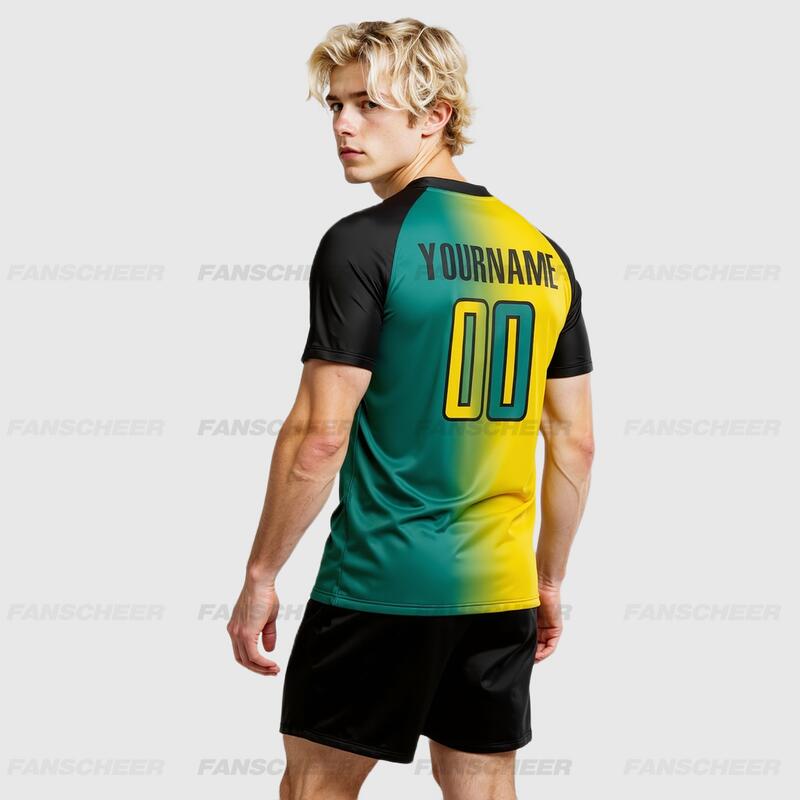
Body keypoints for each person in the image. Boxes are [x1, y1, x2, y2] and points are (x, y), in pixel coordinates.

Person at [228, 18, 595, 800]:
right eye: (335, 104)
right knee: (484, 788)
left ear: (435, 115)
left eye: (368, 104)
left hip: (381, 580)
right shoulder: (545, 254)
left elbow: (319, 436)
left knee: (317, 787)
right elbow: (575, 443)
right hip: (499, 587)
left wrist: (261, 575)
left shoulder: (364, 243)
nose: (343, 125)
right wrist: (548, 581)